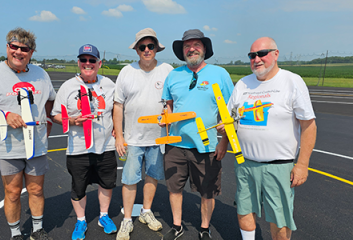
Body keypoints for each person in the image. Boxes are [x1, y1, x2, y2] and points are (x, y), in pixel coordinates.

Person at [224, 37, 317, 240]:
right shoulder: (242, 84)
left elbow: (308, 125)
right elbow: (230, 119)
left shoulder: (291, 81)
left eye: (262, 53)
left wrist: (302, 165)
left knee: (280, 222)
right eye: (252, 55)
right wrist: (224, 136)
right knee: (244, 211)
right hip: (245, 163)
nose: (256, 59)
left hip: (279, 166)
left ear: (275, 54)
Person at [0, 27, 56, 240]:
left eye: (24, 49)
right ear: (7, 47)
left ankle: (37, 229)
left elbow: (50, 103)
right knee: (13, 192)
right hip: (7, 147)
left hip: (36, 145)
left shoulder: (41, 74)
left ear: (31, 52)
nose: (18, 52)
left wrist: (47, 129)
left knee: (36, 190)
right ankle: (16, 232)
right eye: (14, 47)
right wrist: (5, 115)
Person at [161, 29, 233, 240]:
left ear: (204, 49)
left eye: (196, 45)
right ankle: (177, 225)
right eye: (187, 46)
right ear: (182, 51)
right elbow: (169, 106)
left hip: (207, 146)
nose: (191, 49)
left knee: (207, 191)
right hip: (176, 145)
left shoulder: (220, 74)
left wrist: (224, 142)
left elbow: (229, 111)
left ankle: (204, 228)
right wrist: (164, 116)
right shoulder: (173, 75)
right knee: (174, 188)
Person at [51, 44, 117, 240]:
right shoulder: (68, 87)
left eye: (92, 60)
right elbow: (55, 115)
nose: (88, 64)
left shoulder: (109, 84)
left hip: (106, 145)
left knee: (106, 183)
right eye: (84, 60)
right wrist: (72, 121)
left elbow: (118, 109)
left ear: (99, 63)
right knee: (78, 187)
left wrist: (117, 126)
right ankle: (80, 220)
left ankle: (103, 216)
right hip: (78, 148)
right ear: (78, 63)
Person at [113, 28, 173, 240]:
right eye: (142, 47)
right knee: (130, 179)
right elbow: (118, 105)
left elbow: (172, 102)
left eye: (151, 46)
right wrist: (120, 136)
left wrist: (169, 115)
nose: (147, 50)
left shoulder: (167, 70)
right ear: (136, 50)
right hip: (133, 138)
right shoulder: (127, 72)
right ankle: (127, 219)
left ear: (157, 48)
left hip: (158, 137)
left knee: (153, 175)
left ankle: (146, 211)